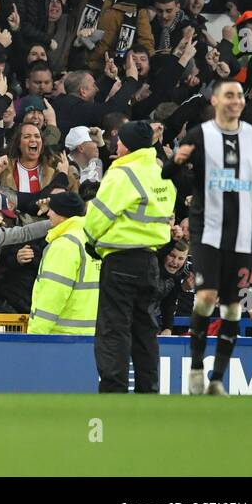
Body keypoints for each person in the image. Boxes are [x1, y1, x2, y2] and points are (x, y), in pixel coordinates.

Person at [165, 80, 252, 394]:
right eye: (229, 95)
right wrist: (179, 162)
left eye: (240, 96)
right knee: (208, 298)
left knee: (235, 308)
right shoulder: (200, 137)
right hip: (209, 230)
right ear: (216, 101)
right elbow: (169, 174)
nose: (235, 101)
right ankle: (197, 366)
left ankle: (217, 379)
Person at [83, 120, 177, 393]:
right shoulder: (160, 172)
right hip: (150, 261)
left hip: (120, 259)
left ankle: (115, 391)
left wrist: (91, 241)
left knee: (114, 328)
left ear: (127, 144)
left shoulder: (122, 173)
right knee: (145, 330)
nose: (116, 144)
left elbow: (99, 215)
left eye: (120, 140)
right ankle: (148, 390)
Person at [27, 192, 100, 334]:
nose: (48, 214)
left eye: (52, 210)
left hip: (62, 337)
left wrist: (35, 335)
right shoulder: (92, 240)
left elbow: (53, 295)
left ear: (62, 213)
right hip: (93, 335)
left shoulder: (64, 245)